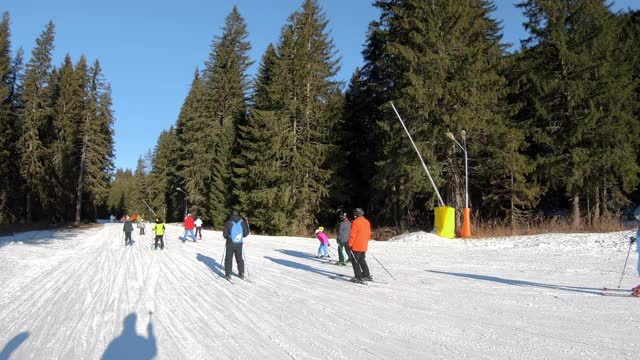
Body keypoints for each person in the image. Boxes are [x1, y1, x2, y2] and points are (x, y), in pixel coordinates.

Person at [222, 209, 250, 280]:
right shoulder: (242, 222)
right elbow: (246, 233)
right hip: (239, 243)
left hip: (230, 242)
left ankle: (228, 274)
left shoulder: (228, 223)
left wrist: (228, 237)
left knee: (228, 258)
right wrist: (239, 237)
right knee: (239, 258)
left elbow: (225, 234)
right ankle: (241, 273)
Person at [348, 208, 372, 283]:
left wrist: (349, 244)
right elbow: (368, 235)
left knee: (355, 261)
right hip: (364, 245)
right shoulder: (367, 222)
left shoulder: (355, 222)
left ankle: (358, 277)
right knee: (362, 260)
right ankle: (366, 275)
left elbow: (353, 235)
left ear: (356, 214)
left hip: (356, 245)